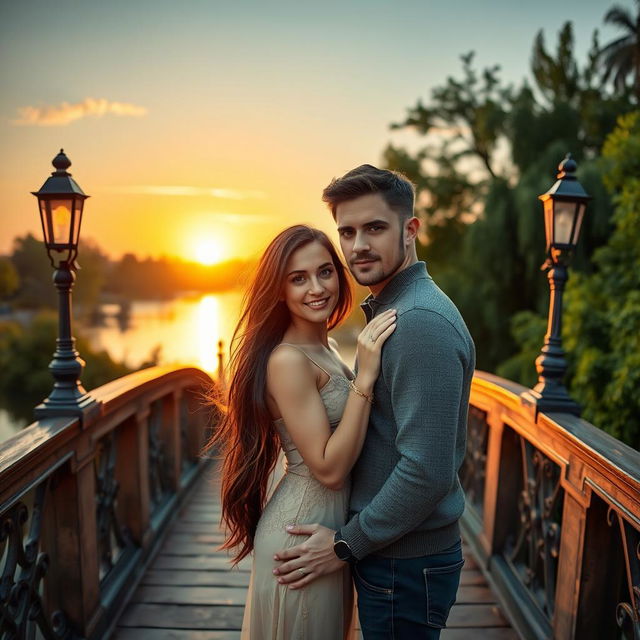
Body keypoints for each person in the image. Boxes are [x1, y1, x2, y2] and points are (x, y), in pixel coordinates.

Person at [272, 165, 476, 639]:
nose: (358, 245)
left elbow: (426, 470)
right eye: (347, 231)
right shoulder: (395, 309)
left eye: (375, 228)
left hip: (404, 563)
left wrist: (345, 544)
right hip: (393, 554)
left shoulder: (419, 322)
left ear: (410, 230)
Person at [206, 224, 397, 639]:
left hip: (326, 532)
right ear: (279, 290)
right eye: (298, 278)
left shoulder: (324, 348)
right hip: (302, 535)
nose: (317, 288)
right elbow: (328, 469)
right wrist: (364, 379)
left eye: (325, 271)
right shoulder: (287, 360)